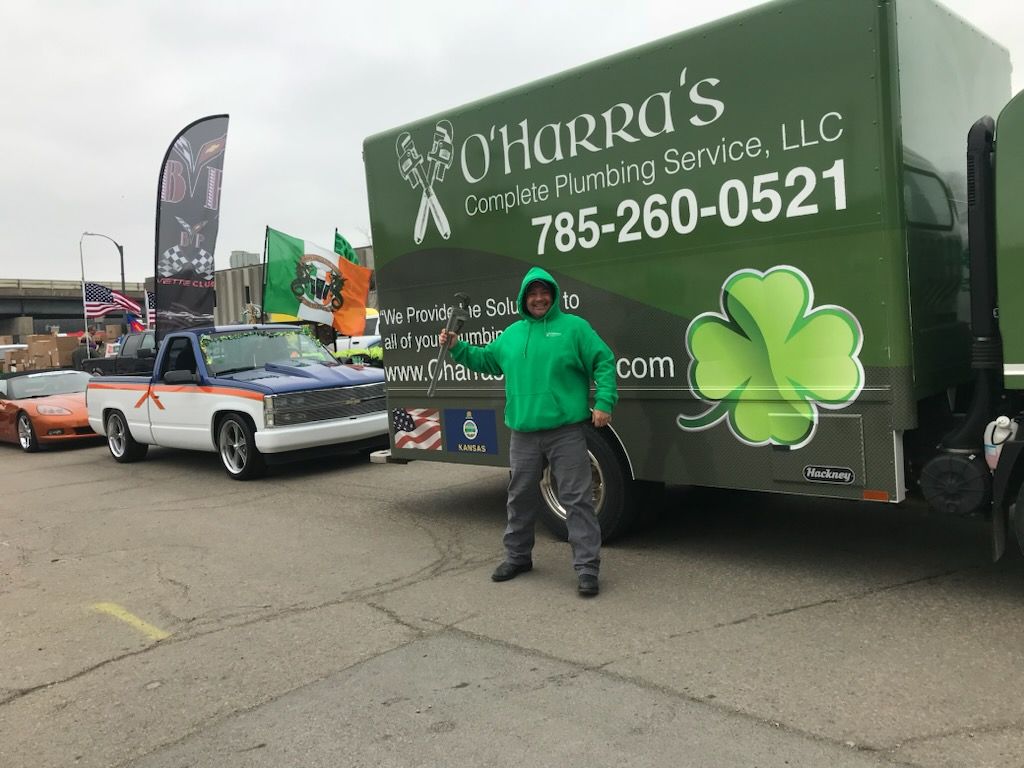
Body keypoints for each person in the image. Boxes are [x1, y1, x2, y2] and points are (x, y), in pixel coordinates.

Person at [439, 266, 617, 597]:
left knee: (577, 499)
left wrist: (605, 400)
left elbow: (604, 361)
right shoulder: (512, 334)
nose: (539, 298)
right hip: (523, 433)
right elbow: (487, 361)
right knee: (519, 497)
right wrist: (457, 347)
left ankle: (587, 568)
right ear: (523, 298)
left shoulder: (574, 328)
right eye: (532, 294)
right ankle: (518, 558)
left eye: (544, 292)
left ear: (553, 294)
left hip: (565, 431)